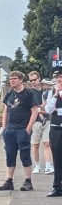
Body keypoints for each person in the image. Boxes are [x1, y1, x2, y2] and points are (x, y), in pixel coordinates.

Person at [0, 70, 37, 191]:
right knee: (10, 155)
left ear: (21, 80)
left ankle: (28, 181)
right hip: (10, 130)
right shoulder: (9, 93)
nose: (12, 80)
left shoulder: (28, 94)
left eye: (14, 78)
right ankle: (9, 180)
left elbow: (34, 111)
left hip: (22, 129)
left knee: (25, 155)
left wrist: (28, 129)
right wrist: (4, 127)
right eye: (10, 79)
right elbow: (6, 110)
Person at [29, 70, 54, 174]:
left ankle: (48, 165)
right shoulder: (30, 93)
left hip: (47, 120)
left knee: (46, 143)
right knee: (35, 144)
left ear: (39, 78)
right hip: (35, 122)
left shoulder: (46, 92)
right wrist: (40, 109)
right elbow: (32, 108)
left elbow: (49, 106)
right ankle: (37, 165)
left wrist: (40, 109)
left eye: (34, 79)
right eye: (31, 80)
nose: (33, 82)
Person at [43, 69, 62, 197]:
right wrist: (55, 95)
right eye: (58, 78)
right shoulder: (50, 93)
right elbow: (48, 109)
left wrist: (58, 109)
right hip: (56, 128)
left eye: (61, 77)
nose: (59, 80)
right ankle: (57, 187)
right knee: (57, 158)